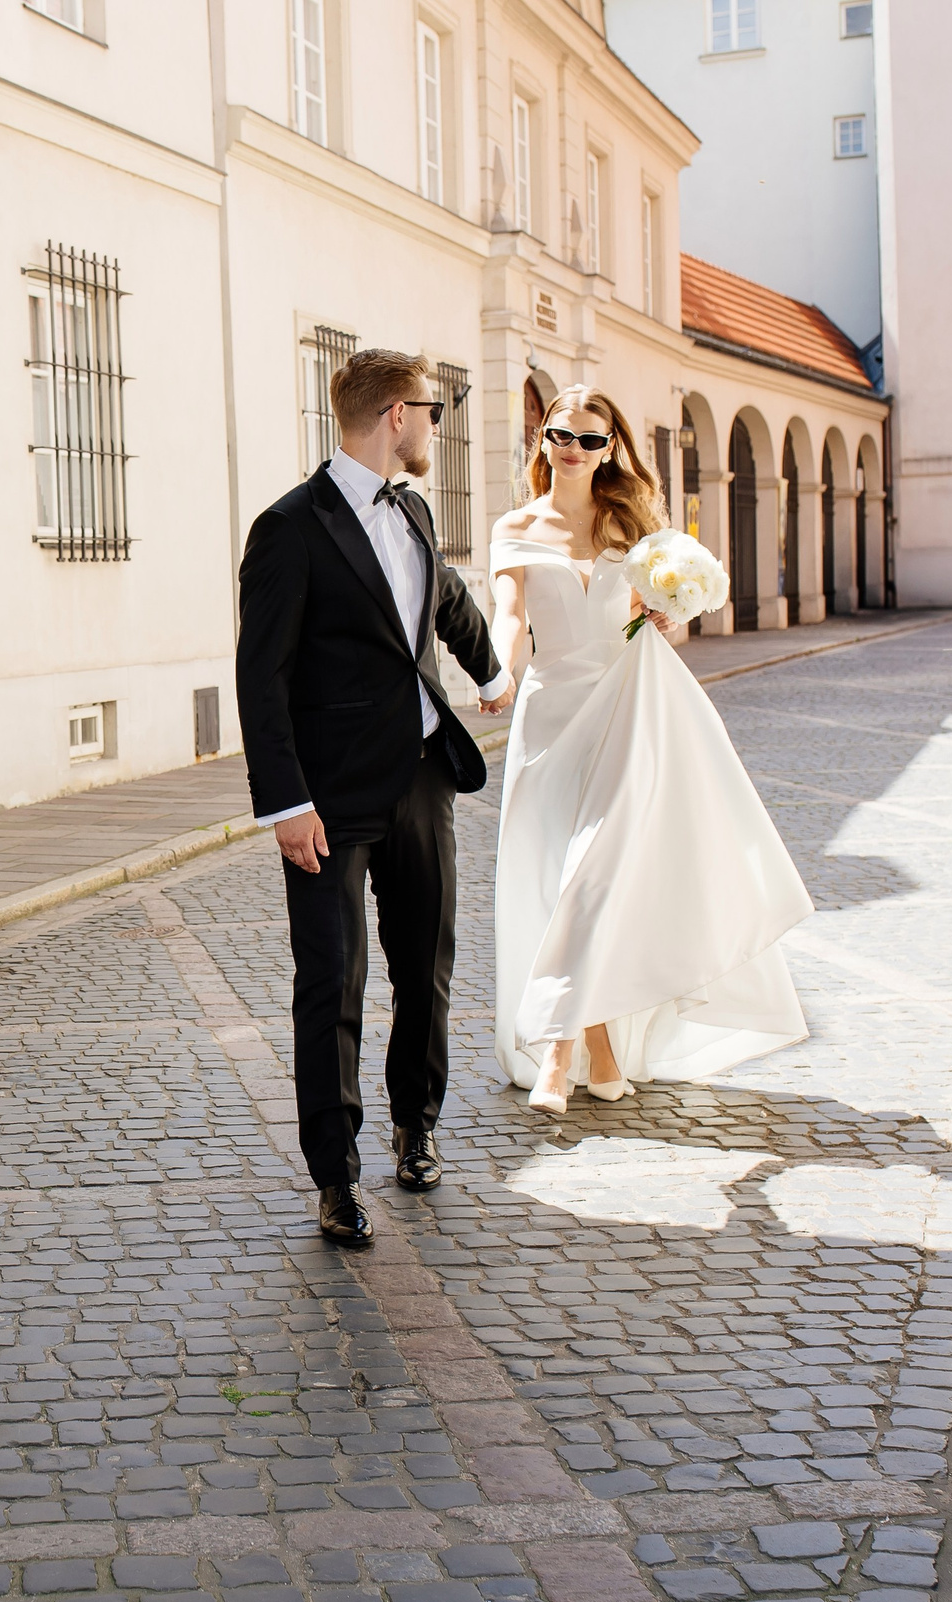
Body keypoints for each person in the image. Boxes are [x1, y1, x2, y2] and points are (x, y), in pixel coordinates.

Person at [235, 348, 514, 1247]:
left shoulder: (416, 508)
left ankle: (415, 1128)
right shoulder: (289, 528)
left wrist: (492, 672)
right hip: (329, 798)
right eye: (432, 411)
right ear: (397, 414)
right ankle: (335, 1177)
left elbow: (448, 600)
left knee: (426, 968)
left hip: (423, 776)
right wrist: (285, 804)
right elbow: (260, 677)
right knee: (333, 983)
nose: (438, 426)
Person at [486, 386, 813, 1115]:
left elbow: (664, 615)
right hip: (548, 717)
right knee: (558, 880)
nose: (573, 447)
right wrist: (500, 676)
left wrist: (669, 617)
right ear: (544, 439)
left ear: (611, 449)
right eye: (561, 433)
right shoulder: (513, 525)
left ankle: (557, 1054)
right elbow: (509, 617)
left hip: (628, 703)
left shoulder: (632, 524)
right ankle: (603, 1059)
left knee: (592, 872)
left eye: (591, 439)